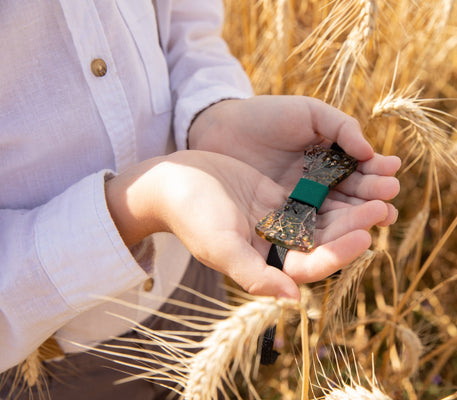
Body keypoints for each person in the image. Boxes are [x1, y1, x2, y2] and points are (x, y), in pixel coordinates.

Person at [0, 1, 400, 398]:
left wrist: (211, 113)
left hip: (193, 280)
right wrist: (140, 205)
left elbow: (187, 28)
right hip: (44, 359)